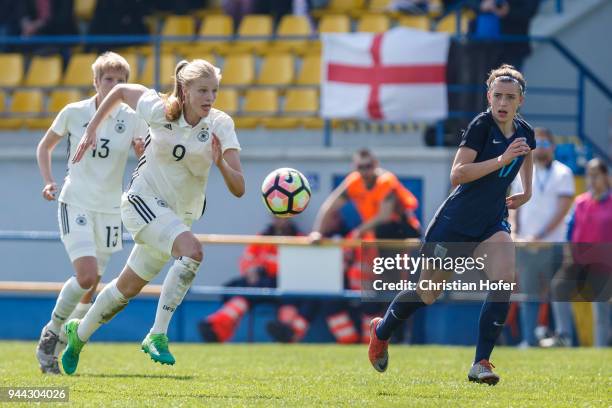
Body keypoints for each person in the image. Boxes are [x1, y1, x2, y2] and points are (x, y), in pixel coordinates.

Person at [60, 58, 245, 375]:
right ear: (184, 90)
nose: (209, 97)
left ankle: (80, 333)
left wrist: (221, 164)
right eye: (202, 90)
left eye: (214, 90)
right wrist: (91, 129)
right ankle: (157, 333)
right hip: (141, 202)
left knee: (125, 289)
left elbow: (239, 187)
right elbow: (118, 90)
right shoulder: (158, 108)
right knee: (193, 252)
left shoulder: (220, 125)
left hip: (175, 218)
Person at [368, 64, 535, 385]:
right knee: (428, 293)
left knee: (504, 281)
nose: (502, 102)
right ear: (489, 96)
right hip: (455, 224)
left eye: (509, 97)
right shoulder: (480, 127)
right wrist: (501, 161)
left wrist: (526, 191)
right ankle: (382, 329)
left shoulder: (525, 131)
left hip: (491, 223)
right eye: (497, 95)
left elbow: (526, 153)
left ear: (520, 101)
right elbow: (457, 174)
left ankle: (481, 363)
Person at [35, 52, 146, 375]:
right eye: (108, 79)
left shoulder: (132, 116)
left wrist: (143, 153)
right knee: (84, 276)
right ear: (96, 82)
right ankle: (52, 331)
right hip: (77, 201)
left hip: (110, 209)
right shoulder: (74, 112)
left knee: (92, 286)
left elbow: (146, 154)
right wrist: (48, 181)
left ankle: (54, 348)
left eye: (121, 81)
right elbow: (45, 146)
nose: (114, 86)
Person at [509, 128, 574, 347]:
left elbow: (562, 210)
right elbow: (515, 206)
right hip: (527, 244)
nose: (542, 149)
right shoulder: (523, 171)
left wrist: (541, 234)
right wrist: (516, 232)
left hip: (553, 243)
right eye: (539, 145)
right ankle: (529, 339)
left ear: (553, 147)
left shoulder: (563, 172)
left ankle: (563, 336)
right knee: (528, 295)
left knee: (558, 292)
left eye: (546, 144)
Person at [541, 158, 612, 348]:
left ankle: (600, 351)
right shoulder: (580, 202)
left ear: (606, 177)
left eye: (596, 175)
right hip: (577, 261)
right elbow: (570, 230)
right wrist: (568, 254)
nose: (592, 179)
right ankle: (563, 335)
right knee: (558, 287)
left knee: (601, 312)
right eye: (589, 175)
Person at [198, 217, 300, 343]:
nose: (281, 221)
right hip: (260, 281)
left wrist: (269, 268)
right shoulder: (262, 237)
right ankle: (216, 328)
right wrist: (250, 270)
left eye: (284, 218)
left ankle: (285, 330)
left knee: (293, 297)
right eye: (277, 217)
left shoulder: (299, 239)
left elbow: (299, 267)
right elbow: (247, 259)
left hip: (284, 283)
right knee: (238, 289)